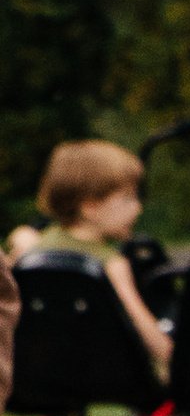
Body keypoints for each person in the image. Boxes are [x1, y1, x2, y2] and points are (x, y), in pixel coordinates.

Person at [8, 138, 171, 381]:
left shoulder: (31, 254)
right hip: (107, 377)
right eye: (128, 198)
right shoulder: (111, 264)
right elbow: (141, 328)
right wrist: (172, 355)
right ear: (90, 206)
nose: (137, 209)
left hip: (37, 376)